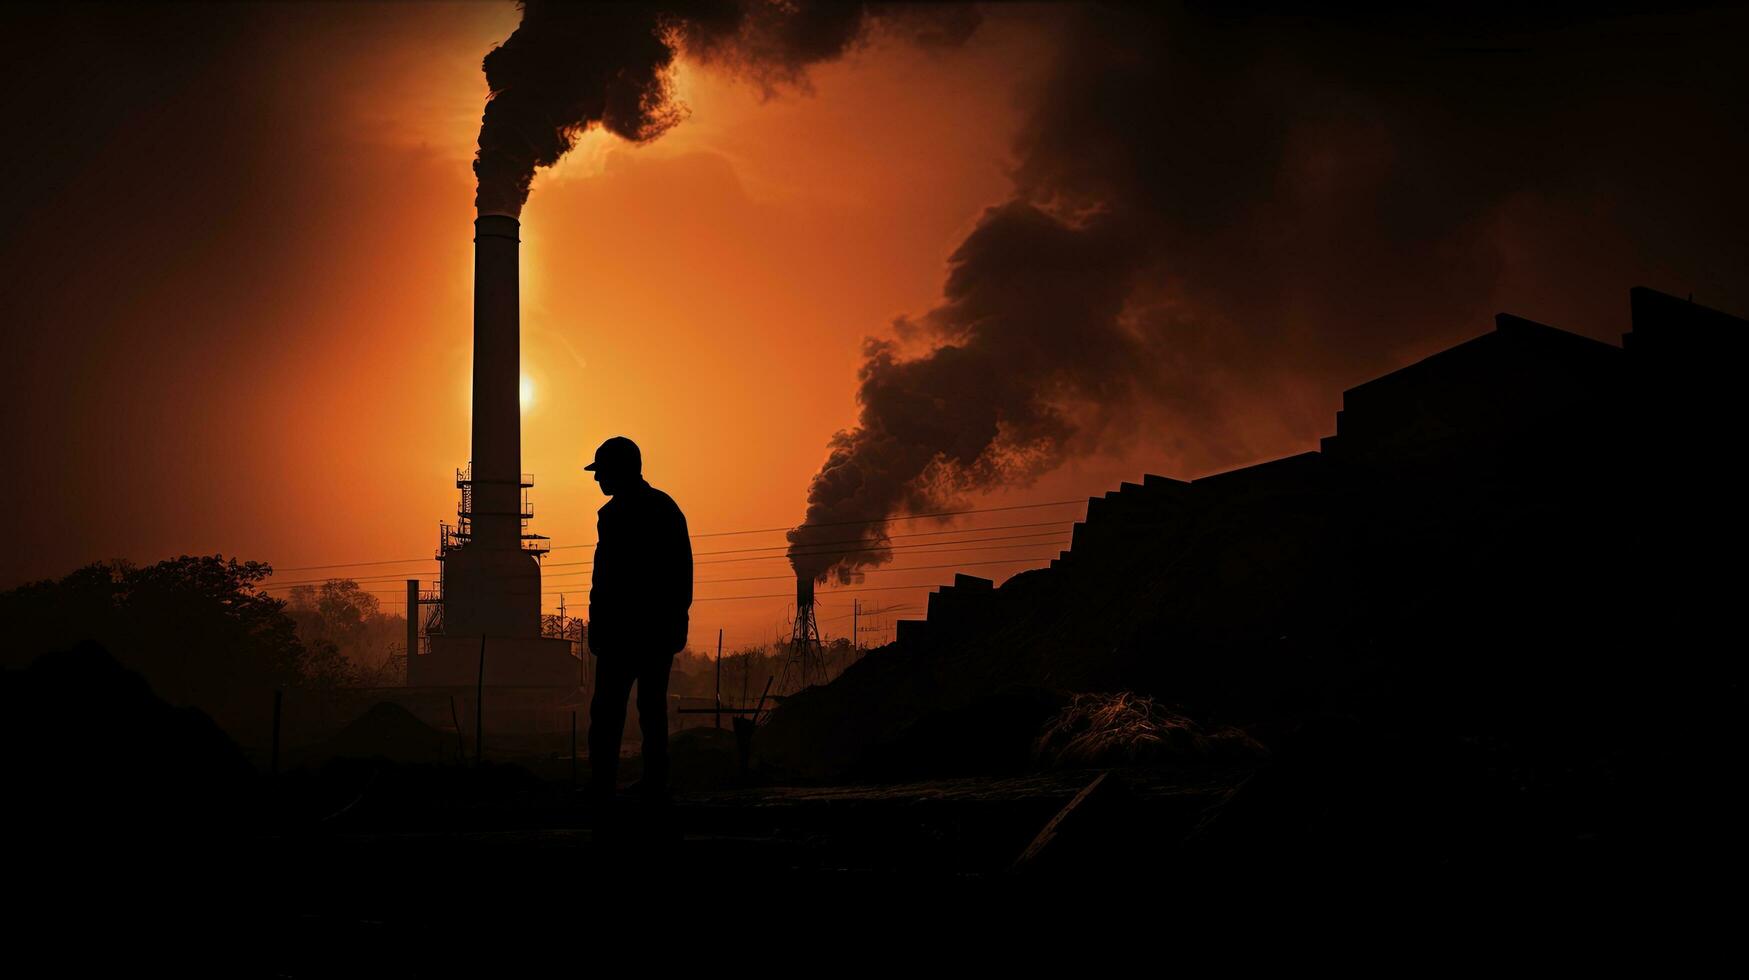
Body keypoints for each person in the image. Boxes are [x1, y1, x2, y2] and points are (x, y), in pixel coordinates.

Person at [584, 435, 692, 819]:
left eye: (602, 473)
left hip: (629, 633)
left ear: (621, 471)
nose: (599, 481)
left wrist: (599, 626)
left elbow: (608, 579)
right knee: (647, 709)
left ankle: (606, 786)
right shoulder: (663, 509)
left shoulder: (618, 517)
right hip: (647, 633)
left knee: (615, 710)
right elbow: (680, 574)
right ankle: (649, 783)